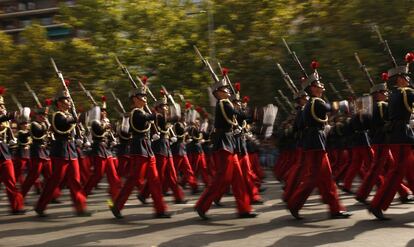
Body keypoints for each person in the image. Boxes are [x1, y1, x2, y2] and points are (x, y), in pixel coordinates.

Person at [287, 62, 351, 219]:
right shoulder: (316, 102)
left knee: (326, 178)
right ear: (313, 88)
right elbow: (329, 108)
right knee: (313, 177)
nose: (322, 87)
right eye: (319, 85)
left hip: (315, 141)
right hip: (315, 142)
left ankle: (335, 208)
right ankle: (295, 204)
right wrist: (344, 104)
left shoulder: (310, 104)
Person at [195, 78, 256, 219]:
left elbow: (236, 119)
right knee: (222, 177)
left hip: (229, 142)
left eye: (227, 89)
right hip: (223, 143)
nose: (228, 91)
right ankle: (202, 205)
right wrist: (251, 115)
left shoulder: (227, 104)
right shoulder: (223, 103)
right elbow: (239, 115)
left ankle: (244, 209)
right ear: (218, 93)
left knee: (238, 177)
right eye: (225, 89)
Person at [109, 85, 170, 219]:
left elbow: (159, 120)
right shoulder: (136, 113)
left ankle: (160, 209)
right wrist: (156, 115)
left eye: (145, 96)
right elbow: (147, 118)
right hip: (139, 148)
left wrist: (162, 111)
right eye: (142, 97)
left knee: (154, 180)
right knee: (133, 179)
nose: (144, 98)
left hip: (147, 148)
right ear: (135, 99)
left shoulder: (142, 112)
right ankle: (117, 205)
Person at [34, 90, 90, 217]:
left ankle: (80, 207)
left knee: (75, 180)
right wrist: (77, 118)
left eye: (69, 99)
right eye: (66, 99)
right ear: (59, 102)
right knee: (55, 180)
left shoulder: (69, 115)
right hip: (60, 151)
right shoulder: (57, 115)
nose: (69, 101)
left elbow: (74, 130)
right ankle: (40, 206)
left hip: (71, 150)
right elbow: (63, 123)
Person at [0, 87, 25, 215]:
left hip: (4, 154)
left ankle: (17, 206)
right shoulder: (4, 119)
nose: (1, 107)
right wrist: (10, 115)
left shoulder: (5, 123)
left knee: (11, 181)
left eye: (2, 105)